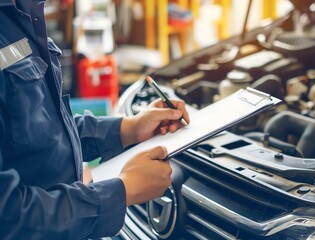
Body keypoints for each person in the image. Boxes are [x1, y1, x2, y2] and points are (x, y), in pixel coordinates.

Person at [0, 0, 190, 239]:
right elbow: (6, 217)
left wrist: (126, 129)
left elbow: (40, 128)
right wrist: (121, 192)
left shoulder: (22, 12)